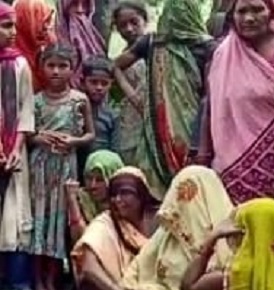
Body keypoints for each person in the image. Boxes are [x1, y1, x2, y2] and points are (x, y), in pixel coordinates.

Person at [83, 166, 234, 290]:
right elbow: (139, 265)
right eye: (179, 196)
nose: (183, 204)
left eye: (190, 197)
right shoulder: (169, 230)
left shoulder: (224, 242)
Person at [199, 0, 274, 204]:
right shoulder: (222, 54)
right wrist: (203, 156)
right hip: (227, 168)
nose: (249, 18)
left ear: (271, 11)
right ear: (232, 16)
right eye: (242, 11)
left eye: (257, 10)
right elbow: (210, 108)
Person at [114, 0, 214, 201]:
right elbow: (115, 66)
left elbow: (209, 95)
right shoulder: (154, 43)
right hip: (158, 128)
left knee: (192, 184)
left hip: (195, 126)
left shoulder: (206, 46)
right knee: (154, 184)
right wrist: (134, 97)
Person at [30, 43, 95, 290]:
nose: (56, 71)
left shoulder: (79, 100)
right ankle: (39, 282)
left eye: (62, 66)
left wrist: (73, 141)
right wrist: (40, 138)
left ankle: (54, 280)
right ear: (41, 68)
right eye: (51, 65)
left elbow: (90, 134)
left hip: (67, 166)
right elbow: (28, 135)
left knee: (60, 222)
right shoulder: (36, 101)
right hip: (41, 167)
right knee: (40, 220)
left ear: (72, 68)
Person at [71, 166, 157, 290]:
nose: (117, 200)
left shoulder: (161, 219)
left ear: (141, 194)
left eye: (125, 193)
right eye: (113, 194)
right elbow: (88, 266)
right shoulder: (106, 222)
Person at [0, 1, 34, 290]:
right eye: (5, 26)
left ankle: (17, 279)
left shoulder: (20, 64)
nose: (12, 32)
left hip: (15, 150)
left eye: (14, 25)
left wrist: (15, 147)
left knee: (16, 210)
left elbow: (26, 109)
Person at [112, 0, 147, 166]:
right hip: (131, 121)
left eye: (134, 22)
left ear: (144, 20)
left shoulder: (156, 48)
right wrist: (132, 95)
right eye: (123, 25)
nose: (129, 29)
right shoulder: (122, 58)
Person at [66, 149, 124, 245]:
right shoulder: (82, 199)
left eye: (100, 180)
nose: (93, 185)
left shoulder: (125, 204)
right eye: (89, 178)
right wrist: (72, 201)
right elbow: (80, 239)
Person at [56, 0, 105, 87]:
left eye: (85, 5)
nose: (80, 10)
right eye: (74, 4)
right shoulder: (52, 38)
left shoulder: (96, 38)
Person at [14, 0, 56, 93]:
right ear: (23, 22)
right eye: (38, 20)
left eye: (48, 21)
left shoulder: (49, 47)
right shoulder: (12, 62)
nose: (45, 27)